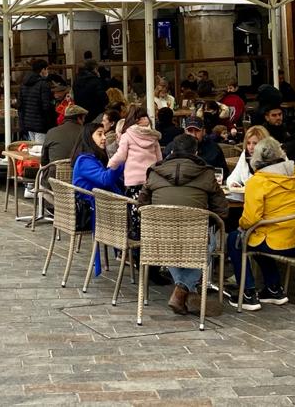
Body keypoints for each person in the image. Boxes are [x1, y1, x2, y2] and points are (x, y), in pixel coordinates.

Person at [138, 133, 228, 316]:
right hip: (195, 239)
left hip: (158, 239)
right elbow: (222, 211)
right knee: (207, 242)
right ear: (196, 152)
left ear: (171, 151)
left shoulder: (154, 172)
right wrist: (203, 219)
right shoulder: (207, 173)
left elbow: (142, 206)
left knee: (173, 241)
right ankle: (183, 290)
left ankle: (184, 289)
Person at [226, 137, 295, 311]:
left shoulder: (258, 181)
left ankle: (247, 294)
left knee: (236, 238)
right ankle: (274, 288)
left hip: (278, 242)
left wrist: (241, 226)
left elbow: (250, 219)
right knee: (256, 237)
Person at [71, 122, 125, 275]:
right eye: (99, 134)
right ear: (89, 137)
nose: (103, 138)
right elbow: (105, 179)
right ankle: (131, 252)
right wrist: (120, 161)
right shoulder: (85, 160)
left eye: (103, 134)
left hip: (101, 205)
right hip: (92, 209)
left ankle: (126, 252)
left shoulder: (93, 158)